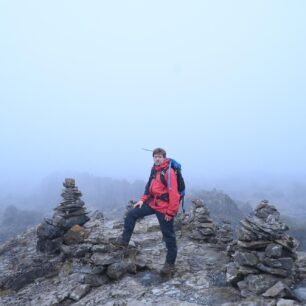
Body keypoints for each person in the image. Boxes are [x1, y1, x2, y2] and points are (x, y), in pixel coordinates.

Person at [114, 148, 181, 276]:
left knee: (169, 236)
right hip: (152, 203)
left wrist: (170, 213)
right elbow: (148, 187)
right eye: (155, 156)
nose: (157, 158)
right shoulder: (154, 170)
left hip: (164, 208)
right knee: (131, 215)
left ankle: (169, 265)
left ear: (164, 158)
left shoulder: (169, 172)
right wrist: (142, 200)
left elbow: (174, 194)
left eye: (160, 156)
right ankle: (123, 244)